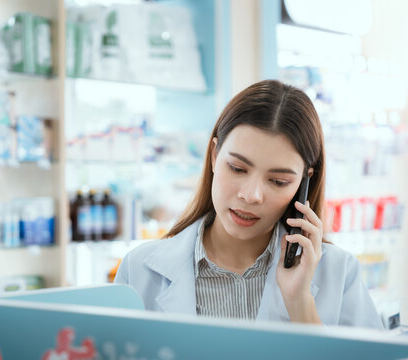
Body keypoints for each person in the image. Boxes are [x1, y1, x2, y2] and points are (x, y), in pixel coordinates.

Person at [114, 80, 384, 329]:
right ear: (214, 156)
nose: (252, 195)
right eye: (237, 168)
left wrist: (300, 303)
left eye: (278, 181)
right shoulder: (139, 270)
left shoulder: (338, 273)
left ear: (303, 184)